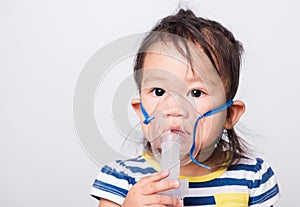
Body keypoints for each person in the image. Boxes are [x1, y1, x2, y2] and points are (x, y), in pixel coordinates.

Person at [90, 9, 280, 207]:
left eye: (196, 93)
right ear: (140, 111)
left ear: (229, 115)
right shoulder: (121, 179)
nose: (174, 109)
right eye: (159, 91)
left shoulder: (253, 178)